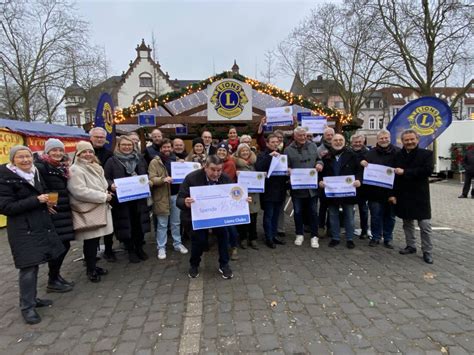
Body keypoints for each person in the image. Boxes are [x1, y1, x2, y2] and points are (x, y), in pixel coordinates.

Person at [0, 145, 65, 324]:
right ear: (13, 159)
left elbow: (43, 192)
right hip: (22, 229)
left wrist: (47, 204)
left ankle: (33, 298)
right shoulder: (5, 178)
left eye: (27, 156)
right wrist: (36, 200)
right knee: (28, 267)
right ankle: (26, 307)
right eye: (20, 157)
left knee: (36, 264)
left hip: (40, 223)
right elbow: (6, 207)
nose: (25, 160)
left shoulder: (34, 172)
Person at [177, 155, 234, 279]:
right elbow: (179, 200)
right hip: (197, 217)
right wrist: (185, 202)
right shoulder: (191, 178)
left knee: (224, 237)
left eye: (219, 170)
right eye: (213, 169)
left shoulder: (225, 178)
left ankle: (224, 264)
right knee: (199, 241)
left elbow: (233, 196)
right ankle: (194, 264)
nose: (216, 173)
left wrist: (243, 200)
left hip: (218, 216)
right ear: (205, 167)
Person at [68, 141, 114, 282]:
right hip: (88, 209)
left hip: (99, 208)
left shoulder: (96, 167)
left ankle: (93, 265)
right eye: (84, 152)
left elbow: (101, 185)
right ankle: (90, 269)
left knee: (95, 240)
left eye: (90, 152)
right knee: (90, 241)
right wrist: (103, 196)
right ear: (78, 154)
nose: (88, 155)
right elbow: (79, 191)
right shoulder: (75, 170)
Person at [35, 139, 74, 293]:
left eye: (60, 150)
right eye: (54, 150)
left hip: (63, 210)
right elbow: (41, 187)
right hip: (54, 211)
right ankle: (53, 280)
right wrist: (49, 203)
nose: (57, 153)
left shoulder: (61, 167)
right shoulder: (41, 166)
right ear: (47, 151)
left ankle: (55, 276)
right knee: (59, 246)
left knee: (64, 245)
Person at [104, 136, 151, 263]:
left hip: (139, 199)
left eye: (129, 145)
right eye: (124, 145)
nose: (127, 147)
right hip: (122, 201)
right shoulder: (112, 161)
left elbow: (146, 174)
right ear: (118, 146)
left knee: (139, 225)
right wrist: (110, 185)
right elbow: (106, 178)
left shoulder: (140, 159)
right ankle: (130, 250)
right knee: (126, 225)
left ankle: (139, 248)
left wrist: (148, 181)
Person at [392, 129, 434, 264]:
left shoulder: (426, 154)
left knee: (425, 225)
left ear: (417, 139)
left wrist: (405, 172)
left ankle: (427, 251)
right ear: (402, 141)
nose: (409, 142)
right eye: (406, 140)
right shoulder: (398, 155)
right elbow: (393, 177)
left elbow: (427, 171)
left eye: (412, 139)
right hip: (404, 194)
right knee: (407, 223)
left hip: (420, 195)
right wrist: (393, 194)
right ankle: (411, 245)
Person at [319, 134, 362, 249]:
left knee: (349, 216)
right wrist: (320, 182)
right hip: (332, 192)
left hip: (348, 192)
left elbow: (359, 171)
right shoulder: (326, 156)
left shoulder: (352, 155)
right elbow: (321, 174)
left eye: (340, 140)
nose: (338, 142)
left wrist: (358, 180)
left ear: (344, 142)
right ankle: (335, 237)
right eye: (335, 140)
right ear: (331, 142)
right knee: (333, 215)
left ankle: (349, 238)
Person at [149, 138, 188, 260]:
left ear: (171, 148)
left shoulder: (176, 160)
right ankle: (161, 247)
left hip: (176, 195)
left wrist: (184, 165)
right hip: (162, 196)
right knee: (162, 224)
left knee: (176, 222)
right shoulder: (155, 162)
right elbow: (151, 178)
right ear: (160, 149)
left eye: (168, 147)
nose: (166, 149)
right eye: (164, 147)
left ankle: (177, 243)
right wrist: (162, 180)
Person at [360, 129, 399, 249]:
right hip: (374, 192)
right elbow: (361, 164)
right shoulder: (370, 153)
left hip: (391, 191)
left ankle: (388, 238)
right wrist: (362, 162)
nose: (384, 140)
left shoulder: (398, 152)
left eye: (386, 137)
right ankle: (375, 237)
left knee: (390, 217)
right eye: (381, 138)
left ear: (390, 138)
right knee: (375, 216)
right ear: (377, 140)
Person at [285, 127, 322, 248]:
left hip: (311, 188)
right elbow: (285, 165)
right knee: (298, 212)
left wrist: (319, 164)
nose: (302, 137)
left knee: (313, 212)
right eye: (300, 135)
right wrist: (288, 169)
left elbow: (319, 159)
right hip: (297, 188)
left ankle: (314, 236)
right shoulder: (288, 150)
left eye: (304, 135)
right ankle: (299, 234)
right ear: (295, 136)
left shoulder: (313, 146)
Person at [255, 134, 288, 249]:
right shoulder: (263, 155)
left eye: (277, 142)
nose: (275, 144)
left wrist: (288, 172)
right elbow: (259, 168)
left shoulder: (282, 156)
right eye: (272, 142)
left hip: (280, 190)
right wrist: (269, 157)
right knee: (268, 215)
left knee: (276, 215)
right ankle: (268, 237)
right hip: (268, 191)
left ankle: (274, 235)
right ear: (267, 143)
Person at [89, 126, 115, 261]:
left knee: (108, 224)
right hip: (90, 196)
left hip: (107, 193)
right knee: (92, 227)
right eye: (97, 137)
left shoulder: (109, 154)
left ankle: (109, 250)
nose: (99, 139)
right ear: (91, 138)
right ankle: (91, 256)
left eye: (102, 137)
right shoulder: (84, 153)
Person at [234, 143, 260, 249]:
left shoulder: (255, 162)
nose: (245, 153)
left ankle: (253, 238)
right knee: (243, 218)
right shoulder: (235, 164)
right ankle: (243, 238)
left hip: (254, 194)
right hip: (242, 195)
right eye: (242, 151)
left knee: (253, 217)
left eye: (247, 151)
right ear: (239, 153)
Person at [216, 142, 239, 259]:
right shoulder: (214, 162)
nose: (221, 152)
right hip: (217, 197)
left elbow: (224, 180)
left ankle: (234, 246)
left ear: (227, 152)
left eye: (224, 151)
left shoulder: (230, 163)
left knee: (230, 223)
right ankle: (224, 245)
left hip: (227, 196)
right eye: (219, 150)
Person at [350, 133, 369, 239]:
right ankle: (350, 228)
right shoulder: (348, 152)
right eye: (355, 142)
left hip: (363, 186)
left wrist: (360, 180)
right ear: (352, 143)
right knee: (349, 208)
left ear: (363, 142)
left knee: (363, 209)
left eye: (359, 142)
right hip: (349, 184)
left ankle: (364, 230)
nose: (357, 144)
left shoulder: (368, 153)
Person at [317, 127, 335, 238]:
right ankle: (321, 227)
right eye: (327, 135)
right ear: (324, 136)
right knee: (323, 206)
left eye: (331, 134)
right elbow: (316, 163)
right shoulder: (319, 149)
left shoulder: (339, 147)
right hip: (323, 182)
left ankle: (330, 227)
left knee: (333, 207)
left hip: (335, 183)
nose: (330, 137)